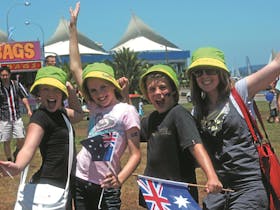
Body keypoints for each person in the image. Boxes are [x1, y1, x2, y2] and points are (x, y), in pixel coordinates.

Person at [186, 46, 280, 209]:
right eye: (198, 72)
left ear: (221, 72)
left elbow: (276, 65)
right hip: (218, 191)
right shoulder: (196, 111)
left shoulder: (240, 92)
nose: (204, 76)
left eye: (210, 70)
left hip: (249, 187)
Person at [69, 2, 141, 209]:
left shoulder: (127, 111)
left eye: (103, 87)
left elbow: (136, 154)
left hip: (107, 184)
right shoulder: (93, 106)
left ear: (113, 85)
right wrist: (73, 29)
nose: (99, 94)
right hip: (80, 178)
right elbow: (75, 67)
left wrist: (119, 178)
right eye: (93, 90)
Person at [138, 64, 223, 207]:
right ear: (147, 95)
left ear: (173, 91)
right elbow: (131, 132)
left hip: (178, 193)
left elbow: (195, 144)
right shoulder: (151, 119)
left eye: (163, 87)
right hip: (155, 191)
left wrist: (211, 176)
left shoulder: (179, 114)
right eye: (152, 89)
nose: (158, 93)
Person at [0, 66, 84, 209]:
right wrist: (18, 166)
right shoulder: (41, 116)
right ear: (38, 92)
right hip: (49, 186)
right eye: (46, 89)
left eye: (56, 89)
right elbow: (28, 147)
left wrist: (70, 89)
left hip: (64, 183)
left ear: (62, 94)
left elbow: (78, 114)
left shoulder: (61, 112)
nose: (51, 94)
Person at [0, 66, 32, 162]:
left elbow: (24, 97)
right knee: (6, 141)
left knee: (21, 138)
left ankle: (17, 151)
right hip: (4, 118)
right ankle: (10, 160)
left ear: (9, 75)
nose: (4, 77)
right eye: (2, 75)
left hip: (16, 116)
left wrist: (28, 109)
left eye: (6, 75)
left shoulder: (16, 84)